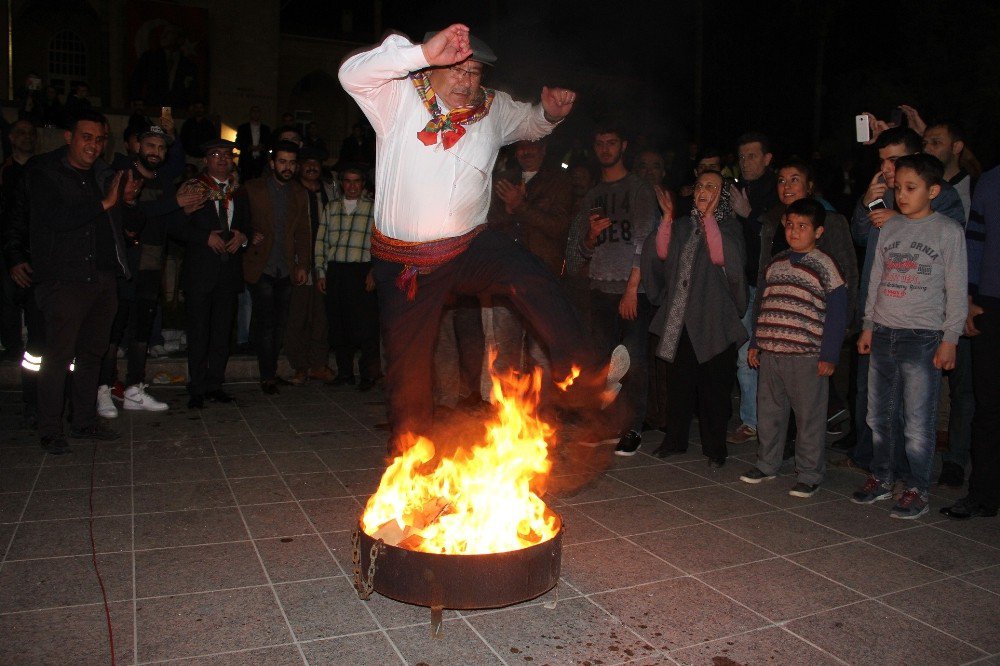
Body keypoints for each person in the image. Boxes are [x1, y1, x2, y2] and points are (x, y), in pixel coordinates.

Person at [339, 24, 625, 454]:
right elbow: (350, 75)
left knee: (532, 276)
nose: (464, 81)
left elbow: (531, 122)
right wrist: (419, 52)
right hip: (405, 263)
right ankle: (412, 468)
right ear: (433, 66)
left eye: (473, 73)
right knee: (408, 370)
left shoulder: (493, 108)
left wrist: (550, 114)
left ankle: (586, 377)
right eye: (454, 69)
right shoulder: (395, 97)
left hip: (467, 248)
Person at [839, 127, 965, 479]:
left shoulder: (937, 194)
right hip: (881, 314)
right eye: (882, 161)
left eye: (893, 159)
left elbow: (952, 244)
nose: (888, 168)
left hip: (921, 322)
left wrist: (902, 220)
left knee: (915, 412)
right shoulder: (883, 191)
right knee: (874, 402)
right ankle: (877, 467)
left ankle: (914, 479)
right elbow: (861, 235)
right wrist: (868, 202)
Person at [21, 110, 142, 453]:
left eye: (100, 139)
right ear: (69, 137)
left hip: (102, 279)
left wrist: (125, 201)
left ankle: (84, 421)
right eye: (87, 137)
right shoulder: (47, 174)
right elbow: (54, 219)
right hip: (65, 280)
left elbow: (124, 221)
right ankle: (49, 429)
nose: (94, 145)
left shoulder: (103, 176)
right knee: (57, 356)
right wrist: (104, 203)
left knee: (92, 353)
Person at [741, 198, 848, 497]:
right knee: (769, 414)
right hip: (772, 354)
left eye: (802, 226)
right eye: (789, 225)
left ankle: (810, 472)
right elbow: (762, 305)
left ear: (818, 231)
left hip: (806, 356)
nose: (794, 231)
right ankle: (766, 463)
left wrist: (829, 355)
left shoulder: (825, 266)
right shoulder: (775, 264)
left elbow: (838, 314)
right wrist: (756, 343)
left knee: (809, 418)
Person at [641, 170, 747, 468]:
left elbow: (722, 257)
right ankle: (675, 440)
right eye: (700, 185)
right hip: (682, 321)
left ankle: (715, 448)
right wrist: (665, 219)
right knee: (680, 385)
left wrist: (710, 219)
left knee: (715, 388)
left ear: (722, 194)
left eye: (711, 187)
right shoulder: (682, 226)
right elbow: (660, 254)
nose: (703, 190)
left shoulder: (729, 226)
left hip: (715, 321)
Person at [98, 123, 197, 416]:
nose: (156, 152)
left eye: (161, 147)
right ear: (137, 146)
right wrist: (173, 203)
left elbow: (169, 225)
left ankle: (134, 389)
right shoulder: (121, 174)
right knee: (113, 331)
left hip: (151, 265)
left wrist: (186, 211)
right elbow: (129, 214)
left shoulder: (164, 181)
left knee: (141, 331)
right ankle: (102, 389)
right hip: (122, 265)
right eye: (150, 146)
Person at [572, 126, 656, 455]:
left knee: (633, 361)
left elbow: (644, 241)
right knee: (601, 363)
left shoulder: (638, 189)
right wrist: (591, 236)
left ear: (623, 145)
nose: (605, 149)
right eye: (599, 143)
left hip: (632, 288)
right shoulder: (593, 195)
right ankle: (604, 424)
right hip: (599, 287)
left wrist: (633, 288)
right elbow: (583, 248)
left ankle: (633, 428)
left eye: (611, 143)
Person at [172, 139, 250, 408]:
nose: (222, 159)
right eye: (216, 154)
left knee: (221, 332)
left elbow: (249, 226)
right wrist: (204, 237)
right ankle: (196, 386)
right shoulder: (193, 188)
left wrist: (243, 236)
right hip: (200, 273)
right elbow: (176, 227)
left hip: (228, 273)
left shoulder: (239, 192)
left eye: (227, 155)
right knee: (198, 332)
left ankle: (215, 383)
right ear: (206, 159)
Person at [941, 164, 1000, 519]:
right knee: (989, 406)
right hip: (991, 305)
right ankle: (983, 494)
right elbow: (975, 243)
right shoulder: (992, 181)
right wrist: (968, 300)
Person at [487, 137, 573, 378]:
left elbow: (558, 227)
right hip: (506, 278)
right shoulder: (502, 180)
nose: (526, 151)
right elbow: (488, 226)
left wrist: (521, 205)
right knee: (505, 353)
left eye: (532, 145)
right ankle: (506, 412)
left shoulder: (559, 181)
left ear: (544, 148)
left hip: (541, 278)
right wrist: (509, 210)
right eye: (521, 146)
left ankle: (542, 412)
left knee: (542, 353)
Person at [242, 141, 311, 394]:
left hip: (286, 267)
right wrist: (249, 235)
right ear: (272, 163)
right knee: (266, 323)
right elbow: (238, 220)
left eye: (292, 163)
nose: (287, 167)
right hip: (261, 265)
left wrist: (302, 264)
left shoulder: (298, 193)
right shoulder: (253, 188)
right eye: (282, 162)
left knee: (280, 322)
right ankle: (267, 376)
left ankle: (270, 372)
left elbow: (303, 231)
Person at [727, 132, 778, 447]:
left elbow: (775, 234)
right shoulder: (737, 188)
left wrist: (749, 216)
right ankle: (751, 420)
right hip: (741, 283)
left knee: (769, 354)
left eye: (752, 156)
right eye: (742, 156)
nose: (745, 162)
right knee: (746, 352)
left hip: (770, 284)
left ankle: (772, 420)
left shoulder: (777, 190)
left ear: (767, 158)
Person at [315, 166, 380, 389]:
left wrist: (375, 271)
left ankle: (368, 375)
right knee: (339, 325)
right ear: (342, 183)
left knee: (366, 327)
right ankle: (345, 373)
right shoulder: (331, 208)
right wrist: (321, 272)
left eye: (357, 181)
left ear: (363, 184)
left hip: (362, 271)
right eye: (348, 181)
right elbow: (321, 242)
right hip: (336, 271)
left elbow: (381, 245)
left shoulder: (374, 209)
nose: (352, 186)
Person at [287, 146, 333, 384]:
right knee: (298, 317)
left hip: (323, 263)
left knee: (321, 319)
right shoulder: (292, 192)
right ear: (299, 167)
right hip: (300, 263)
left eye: (316, 163)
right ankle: (299, 367)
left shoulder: (329, 191)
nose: (312, 167)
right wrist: (296, 262)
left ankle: (318, 365)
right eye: (307, 163)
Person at [235, 106, 273, 182]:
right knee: (245, 182)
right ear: (250, 113)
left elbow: (270, 143)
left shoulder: (266, 129)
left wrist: (263, 147)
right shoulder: (243, 128)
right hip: (246, 161)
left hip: (261, 161)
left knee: (260, 183)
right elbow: (238, 143)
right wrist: (249, 147)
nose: (255, 114)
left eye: (257, 111)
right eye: (253, 111)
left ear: (260, 114)